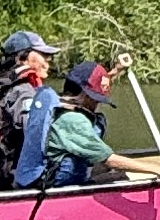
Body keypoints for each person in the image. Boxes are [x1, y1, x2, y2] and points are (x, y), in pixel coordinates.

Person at [15, 59, 136, 189]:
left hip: (37, 175)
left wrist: (116, 70)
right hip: (51, 183)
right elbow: (110, 160)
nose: (96, 105)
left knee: (102, 169)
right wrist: (159, 169)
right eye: (95, 100)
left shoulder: (58, 104)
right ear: (85, 96)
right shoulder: (72, 120)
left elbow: (92, 85)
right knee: (120, 176)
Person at [0, 30, 61, 190]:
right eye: (42, 55)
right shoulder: (23, 91)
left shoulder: (1, 83)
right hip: (11, 178)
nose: (47, 62)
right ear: (21, 58)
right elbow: (35, 133)